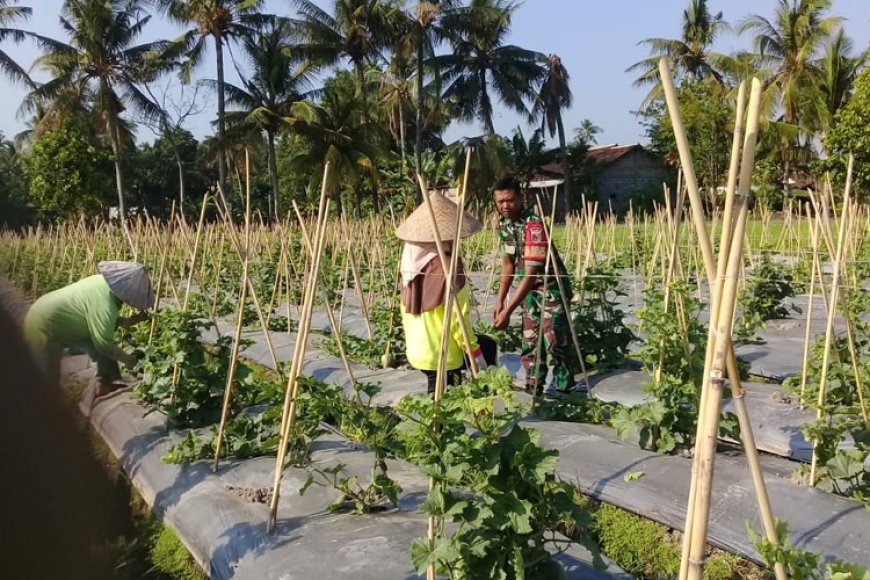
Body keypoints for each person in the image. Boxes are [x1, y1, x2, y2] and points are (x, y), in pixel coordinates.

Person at [492, 176, 576, 396]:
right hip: (528, 290)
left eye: (509, 200)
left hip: (550, 288)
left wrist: (508, 311)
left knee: (554, 339)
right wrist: (500, 300)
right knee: (530, 340)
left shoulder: (534, 225)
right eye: (500, 201)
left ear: (520, 198)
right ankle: (533, 387)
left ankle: (565, 389)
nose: (505, 206)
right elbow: (508, 262)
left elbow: (531, 274)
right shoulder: (505, 224)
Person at [398, 193, 488, 394]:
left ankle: (434, 425)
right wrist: (474, 351)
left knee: (435, 395)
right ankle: (437, 427)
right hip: (444, 355)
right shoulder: (449, 269)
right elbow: (458, 320)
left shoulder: (410, 269)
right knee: (448, 404)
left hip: (418, 351)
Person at [24, 260, 154, 396]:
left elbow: (104, 321)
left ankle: (103, 384)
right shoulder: (105, 304)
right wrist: (132, 362)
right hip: (43, 325)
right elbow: (104, 344)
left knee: (96, 347)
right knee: (46, 376)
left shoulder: (101, 283)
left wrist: (132, 320)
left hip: (52, 316)